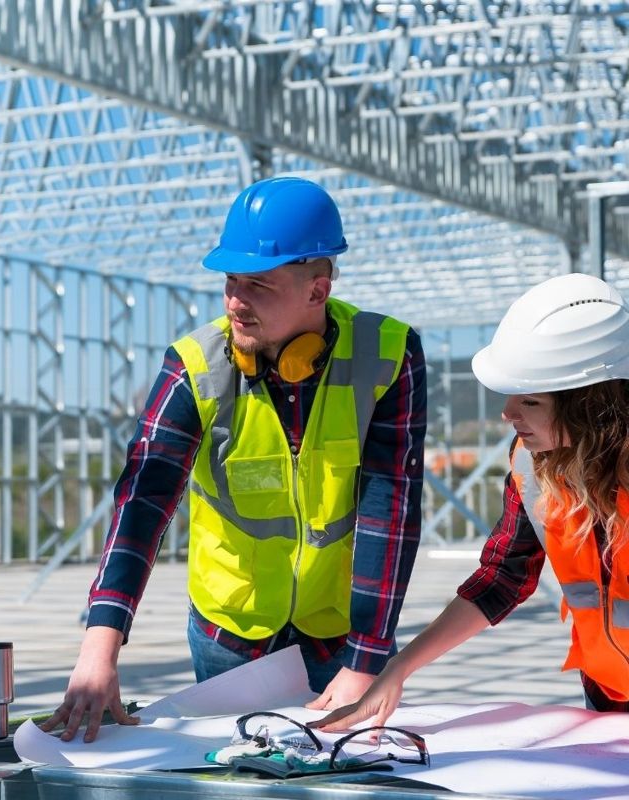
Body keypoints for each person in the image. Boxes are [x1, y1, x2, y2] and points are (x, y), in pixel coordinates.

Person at [41, 175, 427, 742]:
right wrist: (100, 647)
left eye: (258, 284)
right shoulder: (195, 365)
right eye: (229, 280)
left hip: (344, 633)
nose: (235, 301)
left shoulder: (387, 354)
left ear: (318, 291)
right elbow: (143, 500)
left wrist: (367, 659)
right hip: (230, 636)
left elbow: (390, 509)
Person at [312, 272, 629, 734]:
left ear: (592, 405)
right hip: (607, 697)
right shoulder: (531, 466)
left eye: (531, 401)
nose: (508, 413)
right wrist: (396, 669)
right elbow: (501, 578)